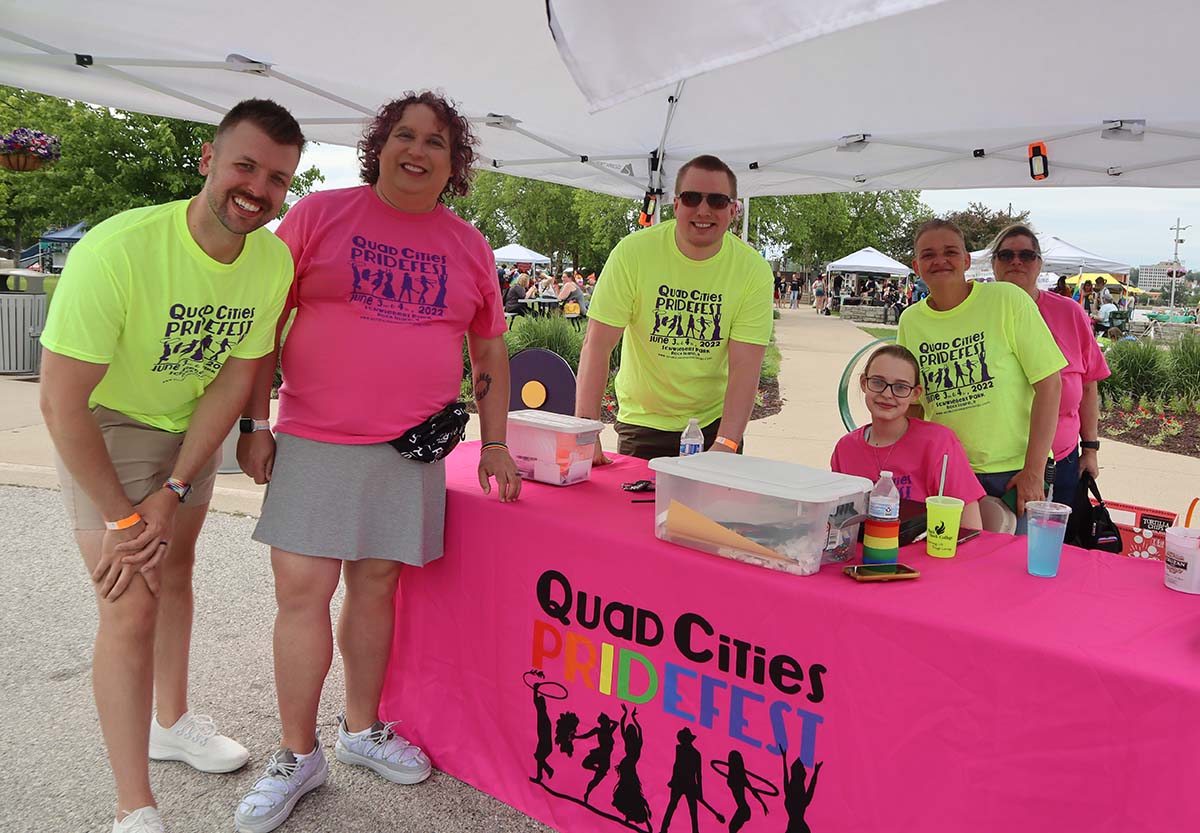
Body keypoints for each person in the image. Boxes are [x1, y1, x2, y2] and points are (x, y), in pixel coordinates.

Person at [233, 92, 520, 833]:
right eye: (403, 135)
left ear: (454, 163)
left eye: (434, 141)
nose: (416, 150)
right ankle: (298, 754)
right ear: (379, 145)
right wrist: (252, 419)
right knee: (302, 588)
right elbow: (264, 319)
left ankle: (361, 730)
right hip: (314, 436)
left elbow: (486, 347)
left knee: (377, 586)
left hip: (409, 445)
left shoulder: (469, 246)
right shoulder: (319, 215)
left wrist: (494, 440)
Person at [39, 99, 305, 833]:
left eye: (277, 177)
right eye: (245, 165)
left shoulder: (273, 258)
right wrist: (126, 514)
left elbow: (235, 374)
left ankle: (171, 720)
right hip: (106, 416)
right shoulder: (118, 250)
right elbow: (62, 404)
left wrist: (179, 484)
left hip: (188, 420)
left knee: (177, 569)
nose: (257, 187)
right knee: (130, 599)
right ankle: (134, 806)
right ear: (208, 162)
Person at [575, 154, 774, 461]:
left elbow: (746, 366)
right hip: (643, 422)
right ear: (677, 204)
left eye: (718, 201)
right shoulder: (633, 252)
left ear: (734, 210)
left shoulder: (753, 270)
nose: (704, 210)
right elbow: (597, 344)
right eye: (692, 198)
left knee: (708, 511)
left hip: (714, 424)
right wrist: (586, 431)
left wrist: (727, 443)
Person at [896, 219, 1065, 527]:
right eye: (928, 254)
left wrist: (1034, 470)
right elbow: (915, 403)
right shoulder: (911, 320)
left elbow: (1050, 385)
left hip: (1013, 474)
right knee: (952, 570)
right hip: (947, 471)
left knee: (1012, 571)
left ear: (967, 260)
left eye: (950, 251)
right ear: (916, 266)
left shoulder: (1007, 300)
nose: (940, 260)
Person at [991, 225, 1110, 509]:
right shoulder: (978, 311)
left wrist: (1090, 450)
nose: (1016, 261)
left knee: (1053, 545)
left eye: (1026, 255)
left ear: (1039, 264)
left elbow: (1087, 383)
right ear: (994, 262)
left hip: (1061, 458)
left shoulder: (1070, 313)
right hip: (993, 464)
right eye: (1006, 255)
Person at [831, 345, 984, 528]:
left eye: (900, 387)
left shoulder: (938, 442)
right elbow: (838, 524)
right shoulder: (846, 448)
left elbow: (971, 528)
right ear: (864, 383)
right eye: (878, 382)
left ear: (915, 394)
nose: (887, 394)